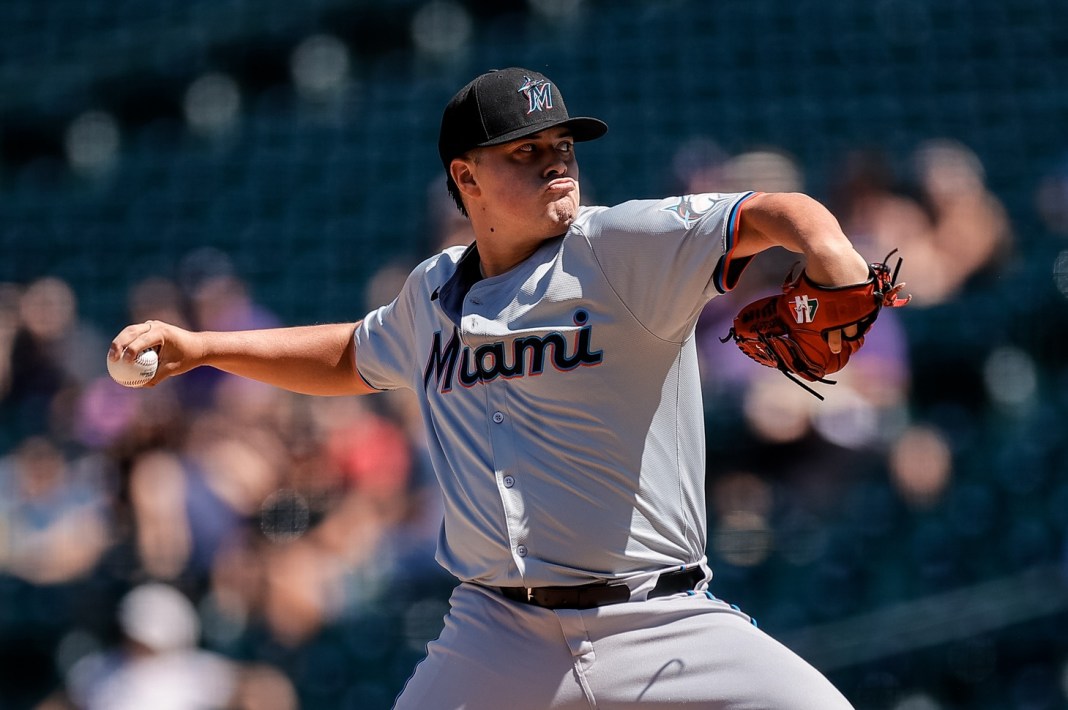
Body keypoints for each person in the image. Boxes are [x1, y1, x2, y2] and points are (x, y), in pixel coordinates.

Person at [109, 67, 871, 709]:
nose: (556, 162)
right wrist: (202, 348)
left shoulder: (622, 246)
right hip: (498, 632)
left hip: (659, 617)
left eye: (563, 145)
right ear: (466, 178)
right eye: (527, 150)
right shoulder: (432, 290)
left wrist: (831, 249)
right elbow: (350, 354)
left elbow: (772, 211)